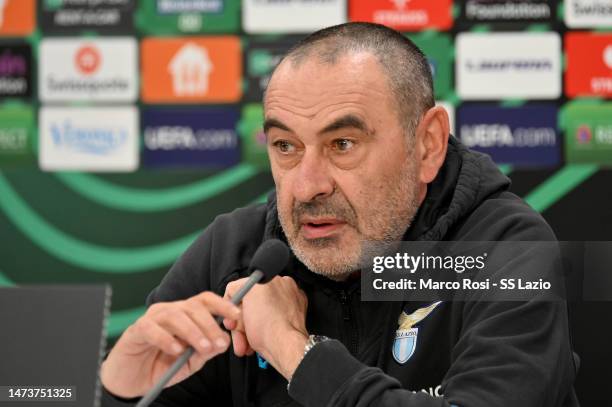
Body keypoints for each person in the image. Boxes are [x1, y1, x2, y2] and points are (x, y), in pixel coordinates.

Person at [100, 22, 578, 407]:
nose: (307, 186)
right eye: (286, 146)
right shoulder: (235, 254)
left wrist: (293, 351)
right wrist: (118, 390)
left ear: (427, 143)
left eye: (342, 145)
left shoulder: (505, 250)